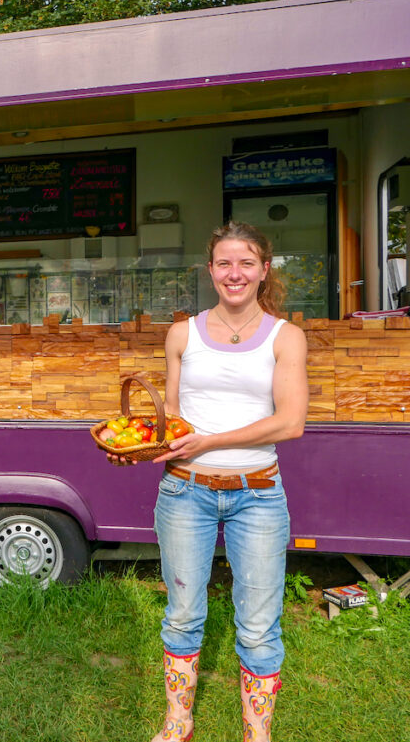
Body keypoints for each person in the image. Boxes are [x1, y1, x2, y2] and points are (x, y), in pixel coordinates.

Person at [113, 221, 308, 742]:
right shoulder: (184, 333)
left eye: (246, 262)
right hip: (184, 491)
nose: (234, 273)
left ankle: (256, 734)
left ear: (264, 270)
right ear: (211, 270)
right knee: (181, 614)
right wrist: (145, 445)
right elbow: (173, 415)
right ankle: (178, 724)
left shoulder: (287, 337)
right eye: (224, 262)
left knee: (260, 623)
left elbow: (291, 422)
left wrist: (210, 442)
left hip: (258, 494)